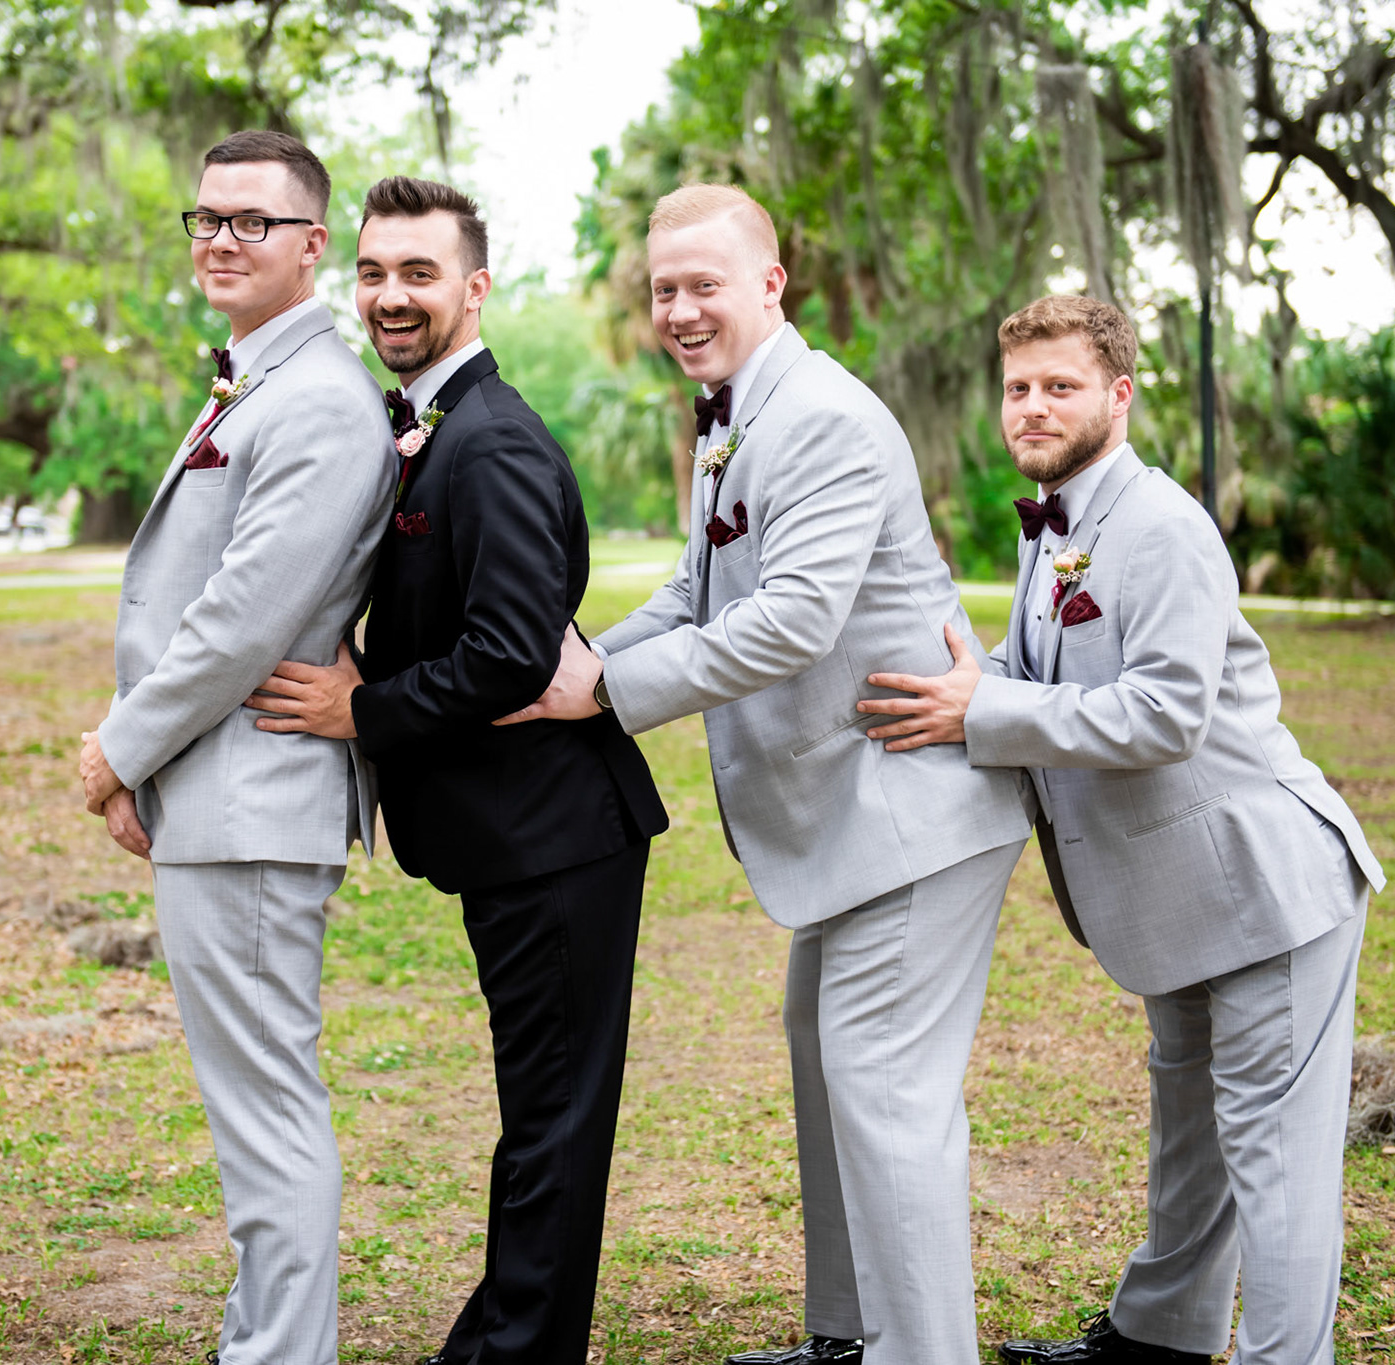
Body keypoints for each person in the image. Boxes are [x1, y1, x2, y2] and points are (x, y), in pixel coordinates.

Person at [500, 183, 1033, 1365]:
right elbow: (698, 592)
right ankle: (847, 1338)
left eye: (705, 285)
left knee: (885, 1098)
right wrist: (573, 664)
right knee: (823, 1057)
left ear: (771, 284)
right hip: (854, 815)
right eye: (664, 291)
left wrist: (606, 694)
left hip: (915, 809)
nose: (681, 311)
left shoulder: (824, 417)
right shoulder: (735, 414)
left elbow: (792, 620)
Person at [856, 294, 1384, 1365]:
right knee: (1189, 1131)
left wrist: (985, 711)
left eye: (1061, 386)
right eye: (1018, 388)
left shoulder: (1163, 526)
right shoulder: (1056, 528)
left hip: (1264, 891)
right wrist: (948, 677)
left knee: (1276, 1165)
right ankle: (1160, 1339)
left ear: (1120, 394)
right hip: (1174, 897)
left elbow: (1166, 714)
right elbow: (1027, 673)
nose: (1033, 407)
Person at [238, 175, 668, 1365]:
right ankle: (501, 1337)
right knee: (540, 1113)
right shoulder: (431, 426)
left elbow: (513, 654)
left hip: (558, 837)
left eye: (419, 274)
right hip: (514, 836)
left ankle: (517, 1351)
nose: (392, 295)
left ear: (474, 289)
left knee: (554, 1121)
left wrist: (362, 708)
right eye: (374, 272)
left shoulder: (495, 441)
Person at [75, 130, 396, 1365]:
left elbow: (241, 618)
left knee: (267, 1114)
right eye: (208, 217)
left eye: (251, 221)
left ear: (313, 244)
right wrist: (148, 770)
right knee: (251, 1112)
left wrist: (119, 748)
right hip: (215, 790)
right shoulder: (259, 377)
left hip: (257, 793)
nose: (220, 238)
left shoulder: (317, 397)